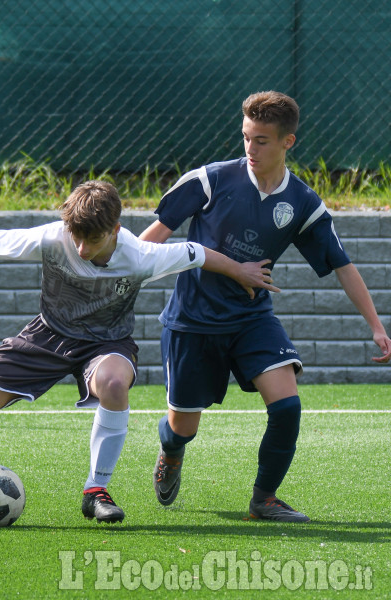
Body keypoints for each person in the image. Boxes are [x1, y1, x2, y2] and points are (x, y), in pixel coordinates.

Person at [0, 180, 278, 527]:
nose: (83, 248)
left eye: (94, 239)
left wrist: (240, 271)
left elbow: (197, 252)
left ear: (116, 230)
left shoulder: (140, 255)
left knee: (112, 383)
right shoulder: (53, 238)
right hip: (47, 336)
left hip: (108, 344)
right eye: (77, 237)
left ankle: (96, 492)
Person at [140, 91, 391, 523]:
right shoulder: (210, 180)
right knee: (183, 428)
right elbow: (149, 241)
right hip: (192, 322)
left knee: (288, 406)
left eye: (262, 141)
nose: (250, 149)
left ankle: (264, 498)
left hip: (252, 319)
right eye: (246, 137)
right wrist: (113, 282)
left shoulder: (303, 202)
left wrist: (376, 326)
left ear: (287, 142)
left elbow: (342, 266)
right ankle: (171, 451)